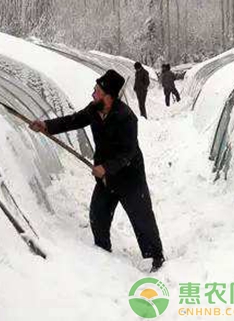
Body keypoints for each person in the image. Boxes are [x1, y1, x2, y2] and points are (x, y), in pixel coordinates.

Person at [29, 70, 165, 272]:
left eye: (97, 91)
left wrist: (106, 168)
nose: (93, 94)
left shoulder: (127, 118)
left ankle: (156, 259)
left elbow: (129, 152)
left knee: (141, 218)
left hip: (129, 177)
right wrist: (46, 125)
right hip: (106, 178)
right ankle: (103, 256)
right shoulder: (94, 110)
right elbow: (73, 121)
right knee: (97, 216)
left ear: (108, 95)